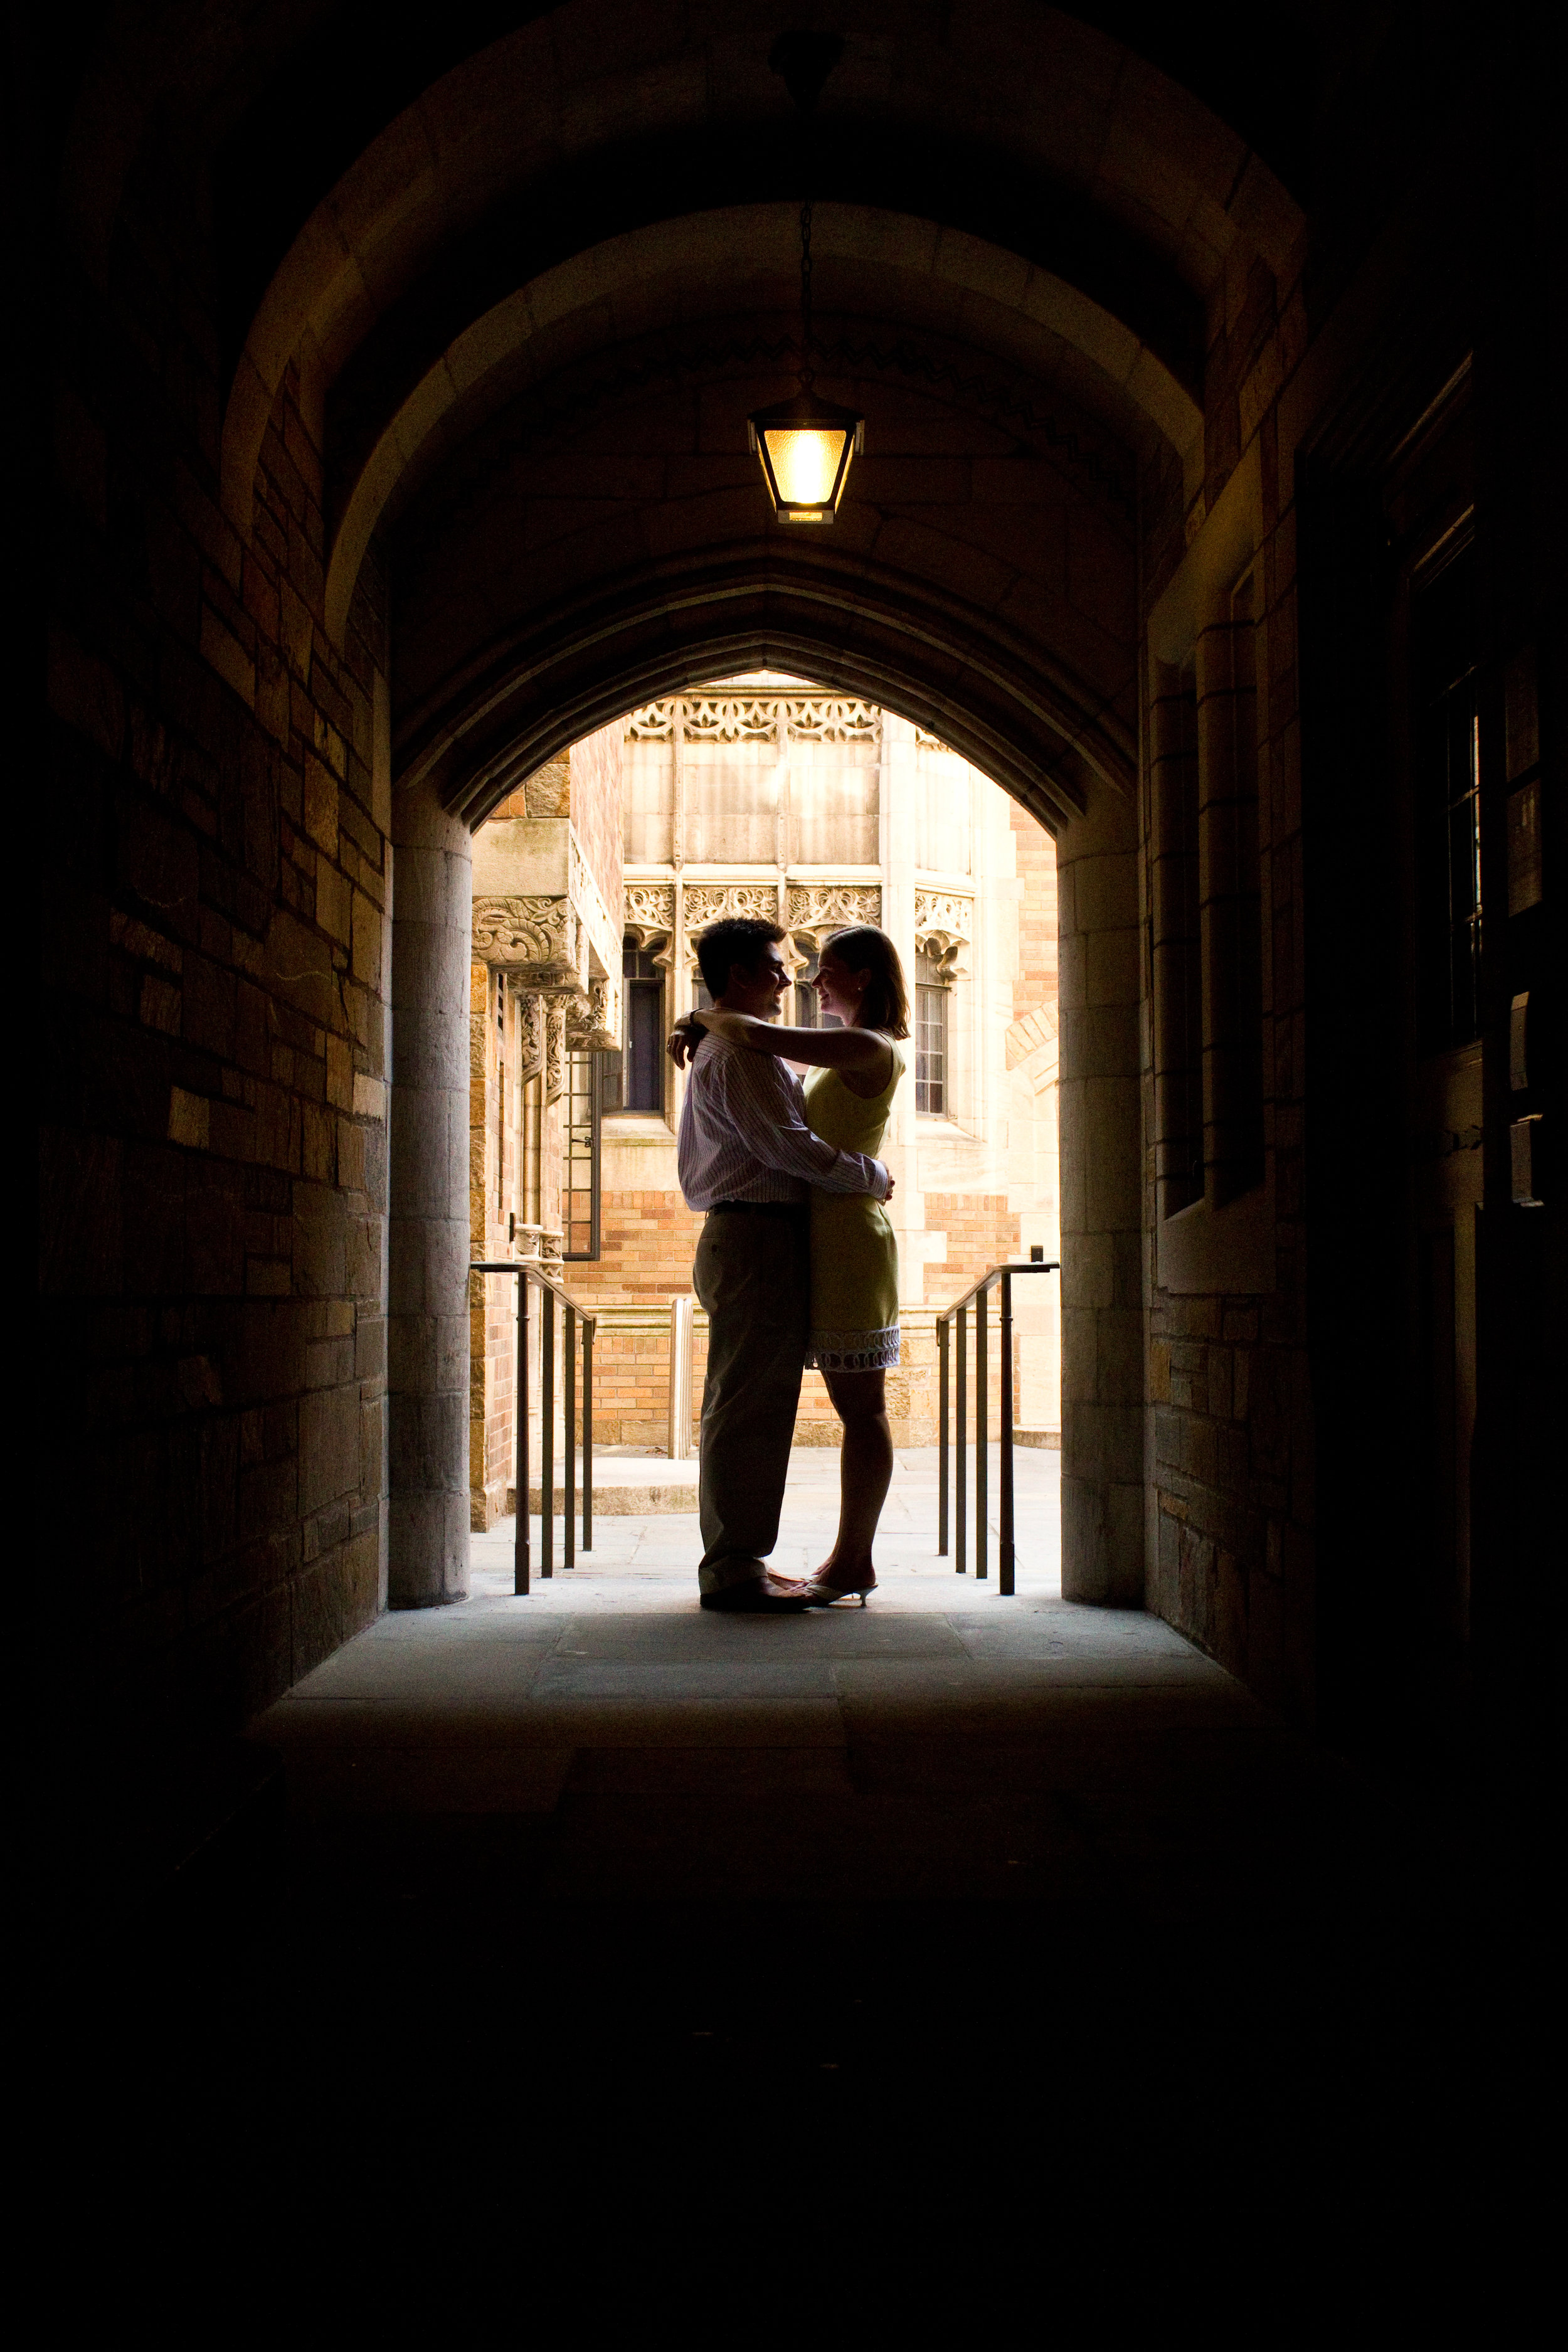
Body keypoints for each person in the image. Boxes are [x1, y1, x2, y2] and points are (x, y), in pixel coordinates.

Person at [677, 926, 908, 1608]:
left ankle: (754, 1561)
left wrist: (702, 1020)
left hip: (800, 1238)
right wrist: (869, 1174)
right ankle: (735, 1568)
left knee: (760, 1403)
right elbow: (789, 1146)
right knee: (747, 1406)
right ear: (744, 973)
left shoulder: (811, 1047)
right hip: (761, 1235)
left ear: (862, 979)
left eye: (818, 970)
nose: (796, 981)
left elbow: (787, 1117)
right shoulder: (742, 1050)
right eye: (780, 969)